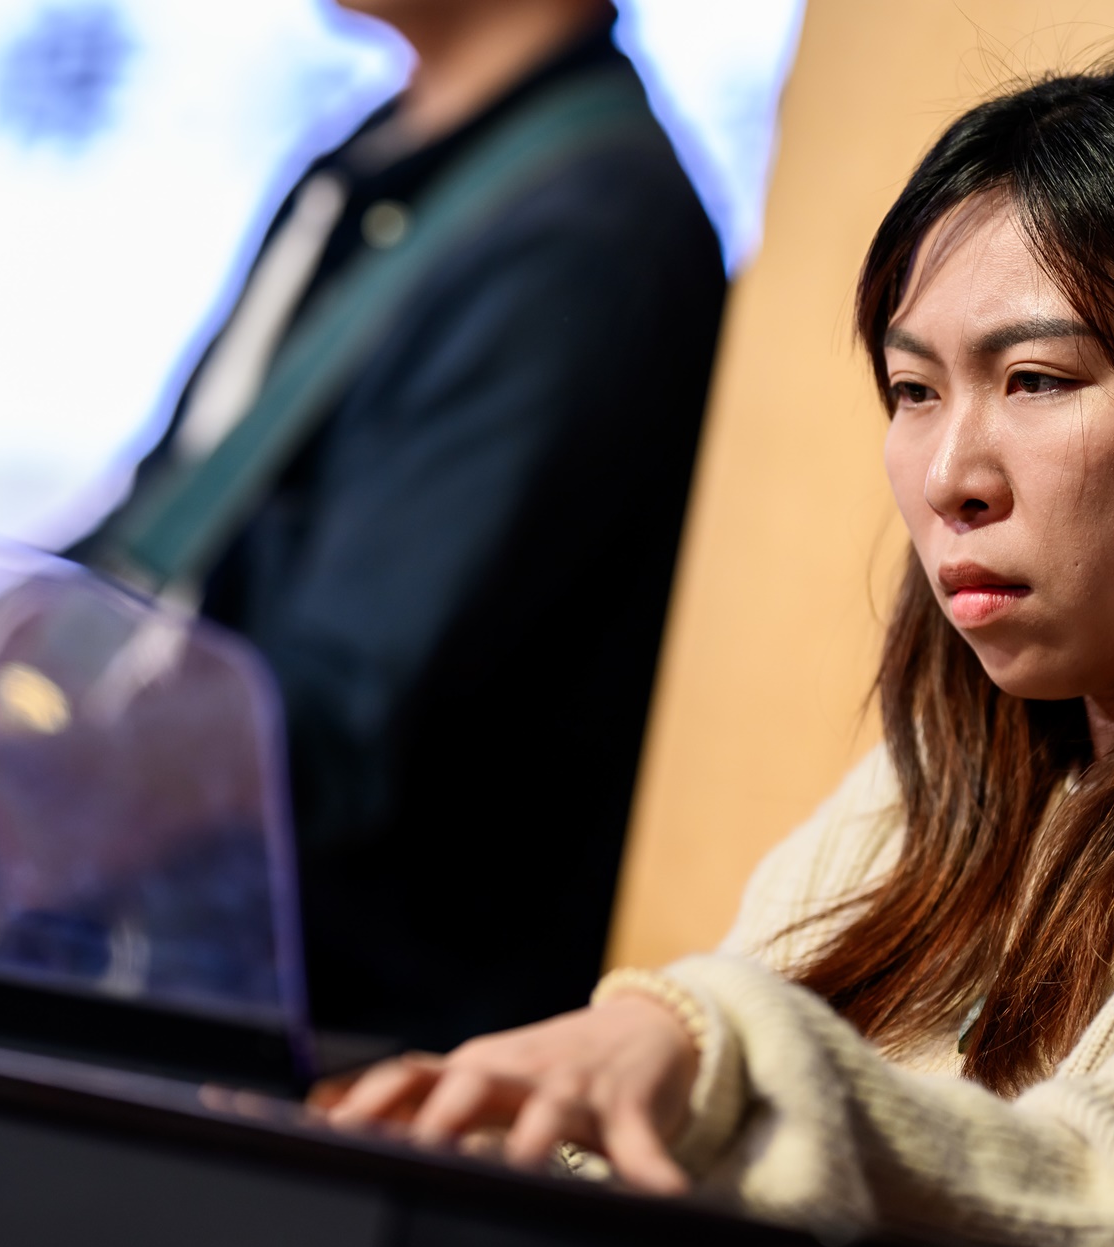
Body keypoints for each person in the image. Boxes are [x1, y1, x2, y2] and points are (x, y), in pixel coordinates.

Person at [316, 60, 1114, 1247]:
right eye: (914, 390)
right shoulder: (937, 781)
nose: (948, 477)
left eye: (1036, 379)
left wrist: (703, 1045)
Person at [76, 0, 726, 1049]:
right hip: (191, 958)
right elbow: (173, 522)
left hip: (337, 1040)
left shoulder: (588, 230)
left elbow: (333, 729)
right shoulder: (382, 158)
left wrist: (25, 775)